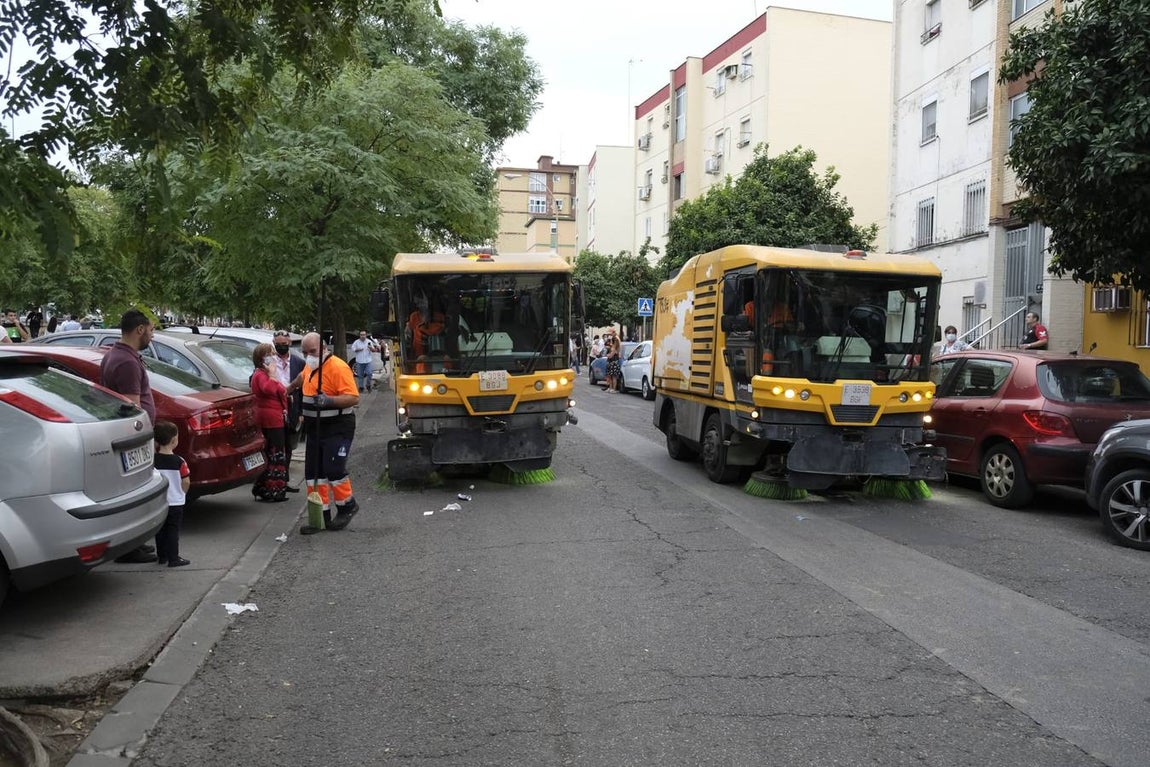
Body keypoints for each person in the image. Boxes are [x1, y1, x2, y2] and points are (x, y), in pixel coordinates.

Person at [101, 309, 159, 564]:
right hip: (132, 439)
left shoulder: (118, 355)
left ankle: (134, 543)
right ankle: (128, 548)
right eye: (151, 330)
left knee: (133, 492)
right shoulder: (126, 362)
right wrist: (143, 439)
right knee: (133, 493)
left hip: (129, 438)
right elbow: (132, 407)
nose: (152, 336)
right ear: (140, 329)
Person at [292, 332, 360, 534]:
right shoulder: (311, 366)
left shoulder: (338, 367)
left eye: (312, 351)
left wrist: (329, 400)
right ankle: (320, 516)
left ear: (323, 348)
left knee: (333, 468)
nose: (308, 356)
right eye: (305, 352)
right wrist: (289, 388)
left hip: (337, 426)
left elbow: (353, 397)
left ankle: (347, 506)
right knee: (314, 473)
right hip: (315, 427)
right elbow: (302, 377)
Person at [250, 342, 290, 502]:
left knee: (275, 452)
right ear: (262, 358)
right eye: (270, 354)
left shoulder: (265, 374)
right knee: (275, 453)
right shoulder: (260, 375)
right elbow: (269, 389)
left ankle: (267, 487)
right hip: (270, 419)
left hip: (275, 416)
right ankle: (272, 489)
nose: (274, 356)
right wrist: (273, 375)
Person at [152, 420, 191, 568]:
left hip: (159, 502)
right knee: (173, 529)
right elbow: (186, 481)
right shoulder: (179, 461)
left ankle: (162, 556)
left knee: (160, 530)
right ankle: (173, 558)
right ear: (174, 440)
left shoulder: (153, 461)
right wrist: (182, 492)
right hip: (175, 501)